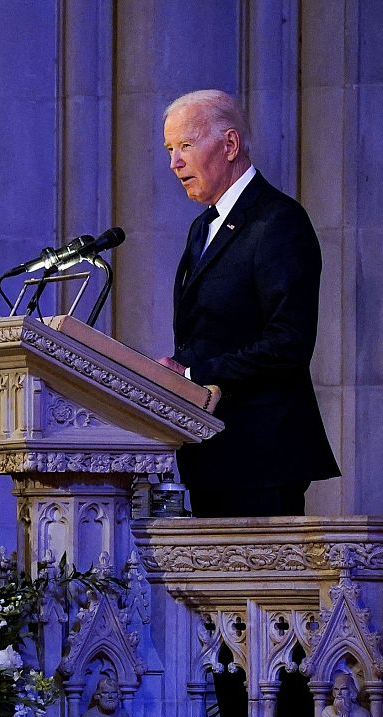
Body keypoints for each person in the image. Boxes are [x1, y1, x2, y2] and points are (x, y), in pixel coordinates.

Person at [158, 89, 339, 517]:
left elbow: (288, 342)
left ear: (230, 144)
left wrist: (190, 374)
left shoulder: (278, 221)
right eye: (169, 149)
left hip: (262, 457)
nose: (174, 163)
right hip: (210, 450)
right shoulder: (202, 227)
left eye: (185, 145)